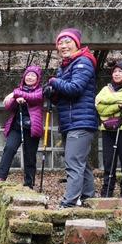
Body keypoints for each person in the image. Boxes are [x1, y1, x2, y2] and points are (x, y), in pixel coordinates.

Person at [45, 28, 99, 208]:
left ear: (77, 43)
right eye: (60, 43)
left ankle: (68, 203)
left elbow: (75, 88)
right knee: (81, 163)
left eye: (67, 41)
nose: (63, 45)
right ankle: (88, 198)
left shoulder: (83, 62)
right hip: (71, 122)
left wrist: (54, 82)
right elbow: (63, 94)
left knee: (73, 162)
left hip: (81, 121)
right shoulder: (66, 65)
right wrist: (52, 92)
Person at [0, 66, 44, 188]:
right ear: (24, 76)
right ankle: (1, 176)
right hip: (17, 126)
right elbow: (8, 107)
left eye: (33, 75)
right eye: (28, 75)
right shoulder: (18, 91)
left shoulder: (40, 91)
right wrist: (16, 100)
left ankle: (29, 183)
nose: (30, 77)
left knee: (29, 156)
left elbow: (35, 98)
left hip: (32, 128)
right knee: (9, 149)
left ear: (37, 79)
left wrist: (16, 94)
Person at [95, 61, 122, 199]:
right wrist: (118, 106)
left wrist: (107, 102)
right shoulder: (105, 89)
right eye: (115, 71)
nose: (117, 74)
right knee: (109, 161)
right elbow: (99, 106)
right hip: (108, 128)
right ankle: (107, 192)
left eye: (120, 71)